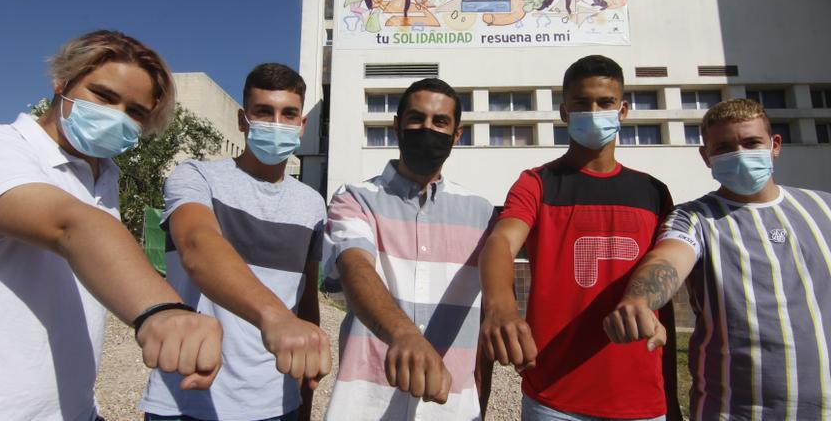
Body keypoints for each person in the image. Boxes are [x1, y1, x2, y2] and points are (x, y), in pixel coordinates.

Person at [0, 30, 223, 421]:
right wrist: (162, 310)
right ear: (62, 82)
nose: (116, 116)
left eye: (136, 112)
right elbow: (70, 225)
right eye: (104, 95)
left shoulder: (104, 177)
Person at [479, 55, 681, 421]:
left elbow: (663, 298)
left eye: (605, 103)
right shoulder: (537, 183)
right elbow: (501, 243)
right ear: (563, 112)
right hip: (553, 399)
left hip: (641, 402)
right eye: (581, 103)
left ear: (623, 111)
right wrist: (500, 307)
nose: (594, 111)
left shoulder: (653, 192)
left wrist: (672, 395)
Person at [605, 98, 831, 420]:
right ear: (706, 156)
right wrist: (639, 300)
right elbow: (668, 258)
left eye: (751, 142)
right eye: (724, 147)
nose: (739, 154)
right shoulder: (694, 217)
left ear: (774, 144)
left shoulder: (823, 209)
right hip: (729, 411)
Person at [140, 63, 330, 421]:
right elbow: (197, 244)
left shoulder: (312, 204)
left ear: (302, 125)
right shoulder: (197, 177)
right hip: (184, 400)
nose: (276, 123)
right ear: (243, 120)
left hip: (276, 402)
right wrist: (273, 318)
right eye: (264, 112)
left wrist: (305, 399)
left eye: (288, 114)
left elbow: (306, 303)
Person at [322, 78, 496, 420]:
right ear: (397, 127)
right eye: (416, 119)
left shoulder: (482, 213)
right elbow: (355, 266)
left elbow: (485, 315)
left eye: (440, 122)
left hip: (452, 408)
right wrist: (403, 335)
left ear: (456, 135)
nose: (427, 129)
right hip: (363, 406)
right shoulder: (355, 198)